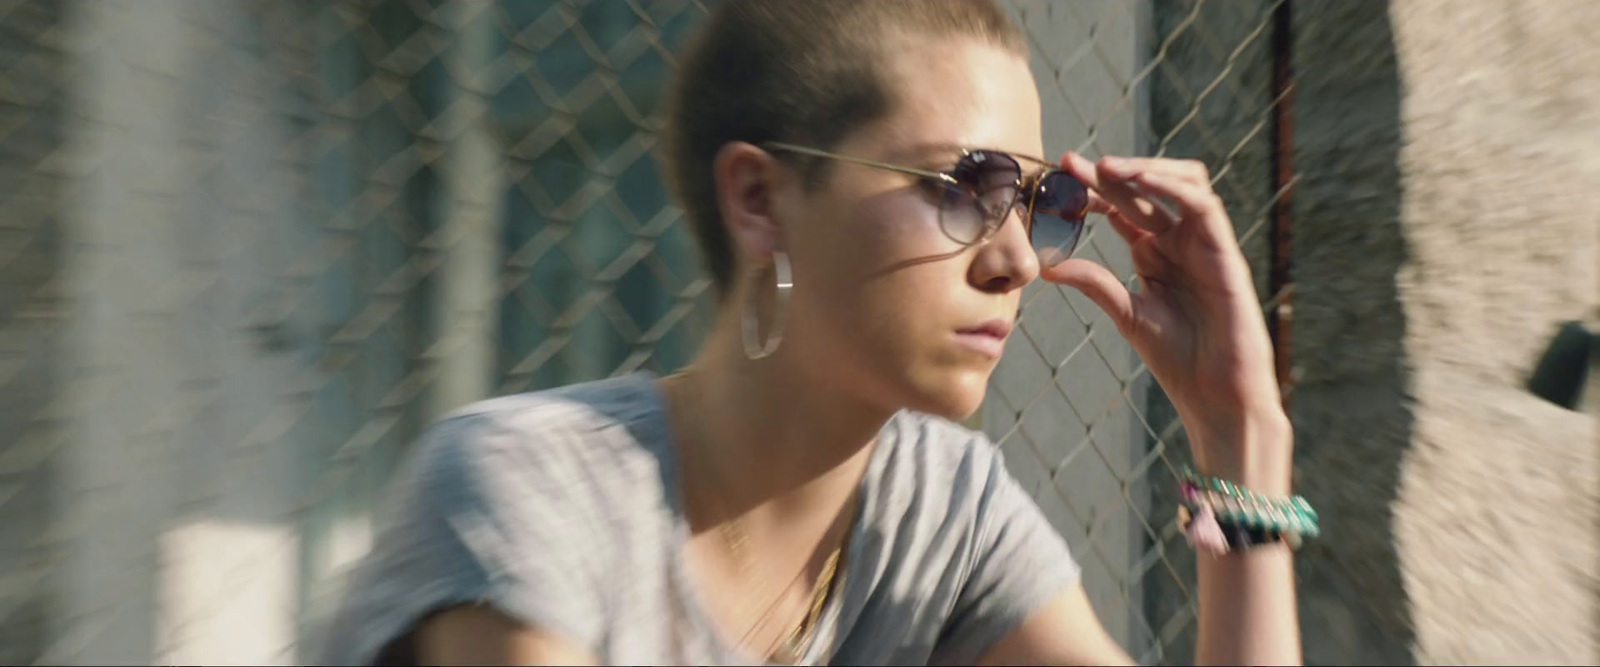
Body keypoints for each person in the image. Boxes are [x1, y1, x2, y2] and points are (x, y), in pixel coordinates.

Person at [318, 1, 1307, 665]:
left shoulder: (945, 514)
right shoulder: (528, 487)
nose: (1017, 261)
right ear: (759, 200)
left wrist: (1239, 442)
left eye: (1040, 200)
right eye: (962, 189)